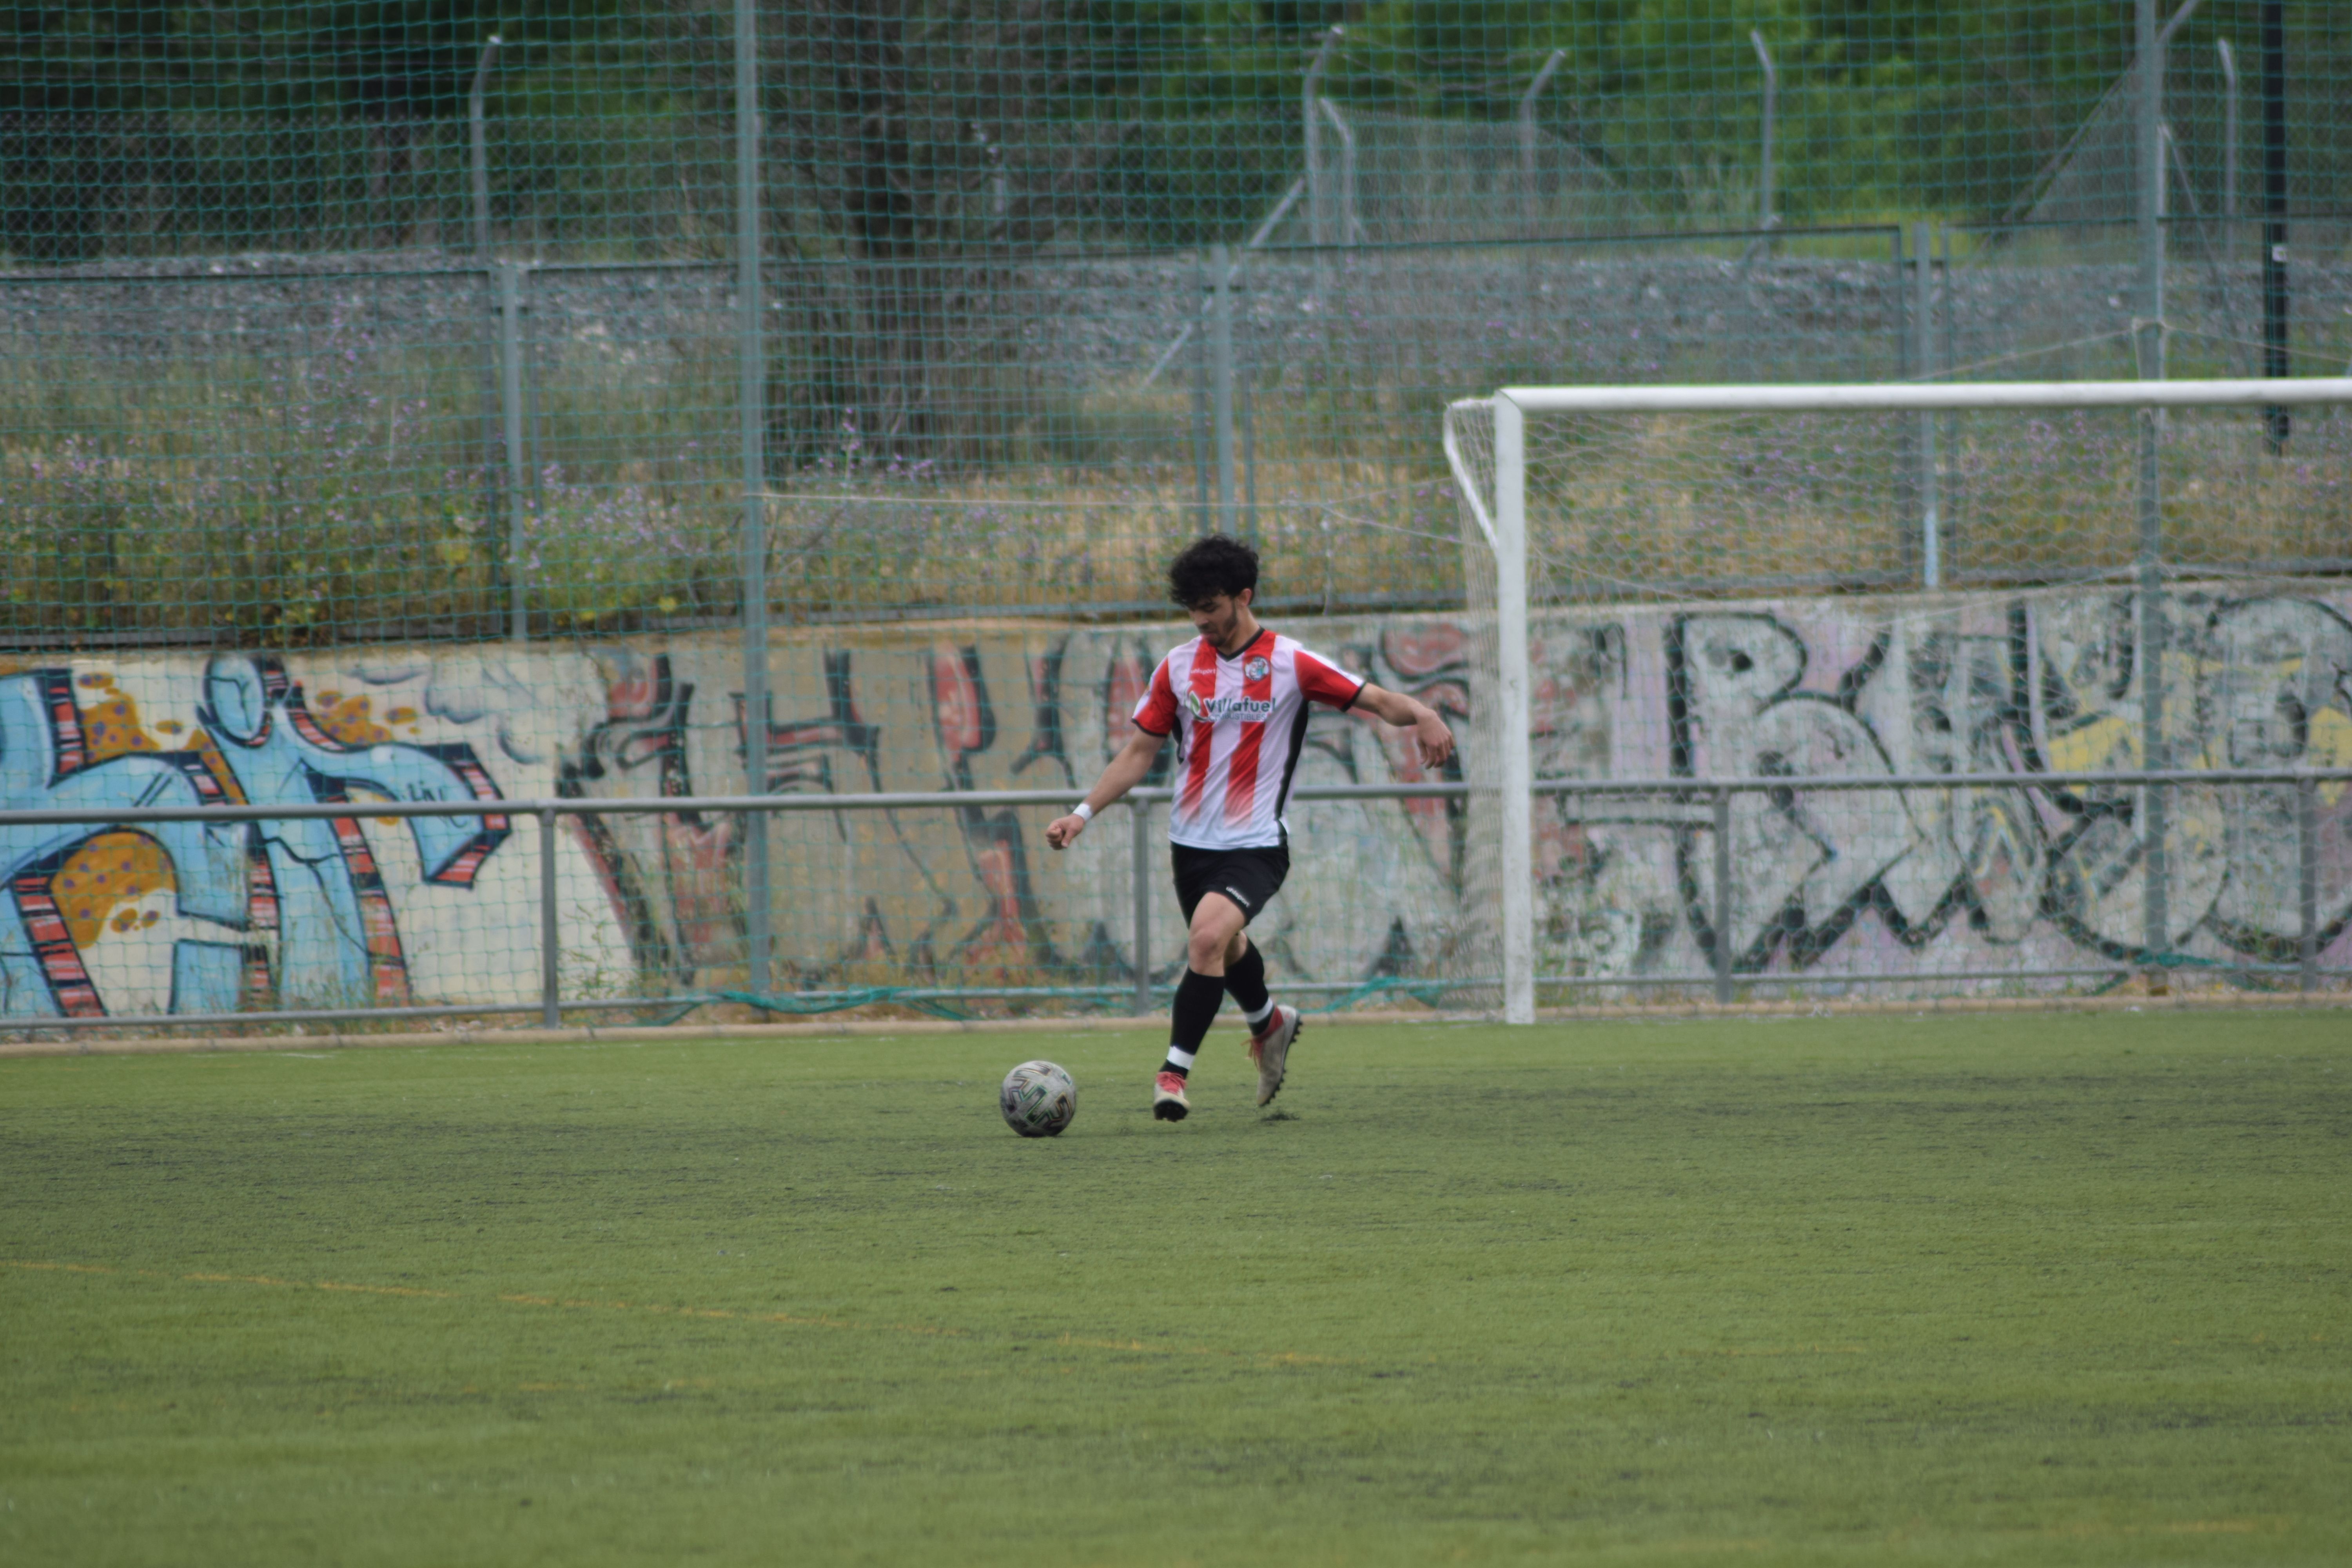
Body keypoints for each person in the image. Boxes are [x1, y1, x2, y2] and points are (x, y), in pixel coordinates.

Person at [1045, 535, 1456, 1121]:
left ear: (1244, 597)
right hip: (1190, 844)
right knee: (1226, 946)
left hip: (1258, 843)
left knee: (1207, 940)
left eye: (1211, 607)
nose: (1202, 621)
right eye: (1193, 610)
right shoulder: (1179, 666)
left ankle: (1173, 1074)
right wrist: (1081, 814)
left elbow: (1378, 700)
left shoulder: (1291, 663)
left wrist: (1425, 713)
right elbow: (1139, 752)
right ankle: (1271, 1024)